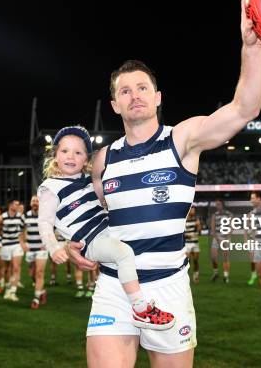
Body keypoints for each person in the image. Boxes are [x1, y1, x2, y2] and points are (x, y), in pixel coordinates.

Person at [71, 0, 261, 367]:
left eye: (142, 87)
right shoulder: (102, 160)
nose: (135, 95)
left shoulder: (184, 139)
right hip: (114, 286)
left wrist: (252, 47)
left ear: (158, 97)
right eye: (124, 91)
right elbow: (87, 217)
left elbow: (245, 108)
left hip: (167, 286)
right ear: (115, 105)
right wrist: (74, 244)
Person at [38, 126, 175, 329]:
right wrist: (54, 247)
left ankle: (144, 295)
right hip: (91, 241)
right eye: (64, 151)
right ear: (55, 155)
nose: (70, 156)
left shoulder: (89, 181)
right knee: (124, 253)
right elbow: (44, 222)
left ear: (86, 159)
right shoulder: (51, 187)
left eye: (78, 152)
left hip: (109, 230)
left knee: (138, 246)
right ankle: (141, 309)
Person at [0, 200, 26, 301]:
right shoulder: (3, 216)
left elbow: (23, 229)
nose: (18, 206)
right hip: (5, 245)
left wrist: (22, 242)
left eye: (18, 204)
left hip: (16, 244)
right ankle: (7, 289)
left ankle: (13, 292)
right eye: (16, 204)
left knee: (16, 267)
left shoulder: (21, 216)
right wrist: (0, 225)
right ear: (10, 205)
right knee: (6, 269)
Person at [23, 195, 48, 309]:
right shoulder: (25, 216)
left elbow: (53, 232)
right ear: (30, 203)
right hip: (30, 249)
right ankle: (42, 291)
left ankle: (36, 299)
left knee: (39, 273)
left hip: (41, 250)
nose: (35, 202)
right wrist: (23, 244)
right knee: (32, 274)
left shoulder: (45, 216)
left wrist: (46, 243)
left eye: (37, 201)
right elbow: (21, 232)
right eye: (33, 200)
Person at [209, 199, 233, 283]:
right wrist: (217, 238)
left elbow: (231, 227)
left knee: (225, 257)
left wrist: (227, 237)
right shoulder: (214, 215)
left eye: (218, 204)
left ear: (222, 204)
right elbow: (213, 227)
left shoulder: (228, 214)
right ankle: (216, 273)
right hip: (216, 238)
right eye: (216, 204)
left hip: (226, 238)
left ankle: (226, 276)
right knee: (213, 257)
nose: (217, 205)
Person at [183, 207, 202, 284]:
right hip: (187, 243)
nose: (193, 211)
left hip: (195, 242)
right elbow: (182, 234)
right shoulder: (184, 221)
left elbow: (199, 232)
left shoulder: (196, 220)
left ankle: (196, 277)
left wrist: (199, 226)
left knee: (196, 261)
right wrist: (188, 236)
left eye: (194, 210)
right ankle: (185, 278)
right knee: (188, 261)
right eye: (191, 210)